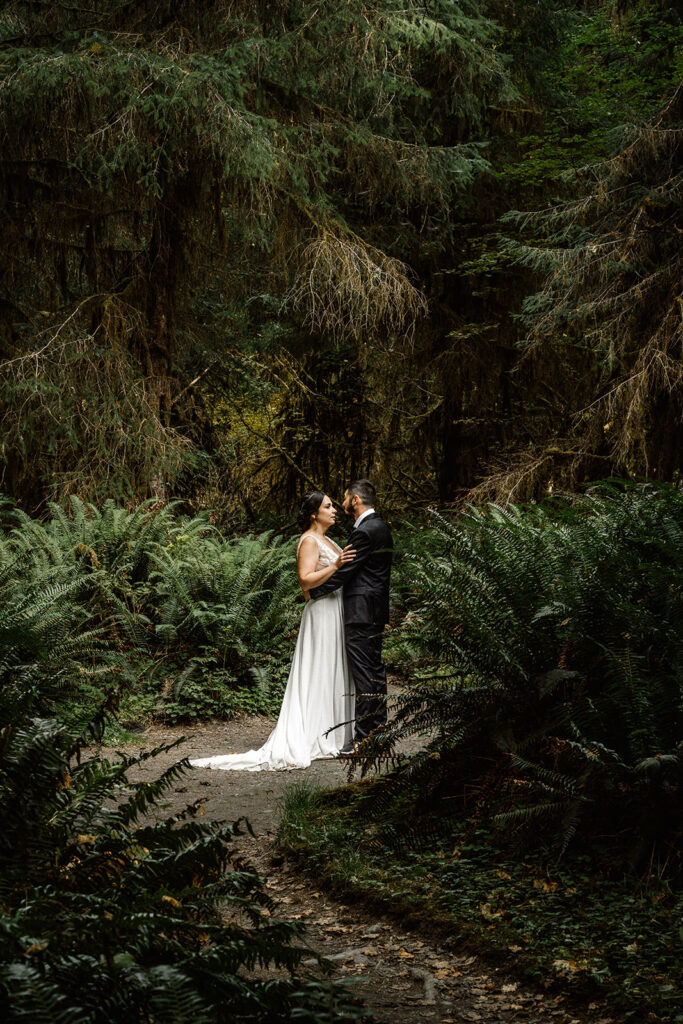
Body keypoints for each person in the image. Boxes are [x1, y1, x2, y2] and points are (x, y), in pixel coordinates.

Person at [189, 492, 356, 771]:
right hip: (321, 611)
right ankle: (314, 733)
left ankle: (335, 732)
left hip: (336, 610)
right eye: (328, 506)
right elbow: (305, 580)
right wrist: (337, 565)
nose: (334, 510)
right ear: (314, 513)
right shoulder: (309, 541)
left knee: (333, 669)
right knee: (320, 669)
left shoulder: (330, 540)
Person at [309, 479, 393, 753]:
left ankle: (365, 738)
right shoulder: (380, 527)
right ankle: (378, 730)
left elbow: (347, 572)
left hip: (360, 612)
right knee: (375, 670)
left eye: (344, 499)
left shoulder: (366, 531)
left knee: (365, 673)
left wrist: (315, 592)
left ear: (355, 500)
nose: (342, 504)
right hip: (375, 610)